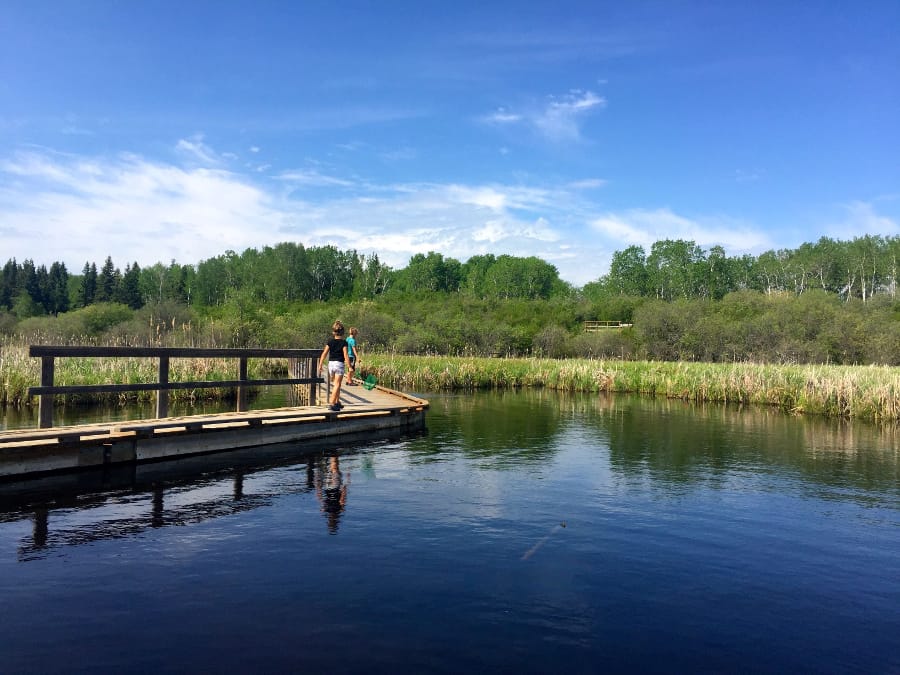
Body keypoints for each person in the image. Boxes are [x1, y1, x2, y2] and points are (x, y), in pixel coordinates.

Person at [318, 320, 350, 411]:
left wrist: (320, 364)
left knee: (336, 384)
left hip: (331, 364)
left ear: (333, 332)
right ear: (343, 332)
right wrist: (350, 366)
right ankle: (332, 404)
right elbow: (345, 355)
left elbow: (324, 353)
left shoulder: (330, 342)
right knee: (337, 384)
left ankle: (337, 402)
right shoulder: (344, 343)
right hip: (339, 364)